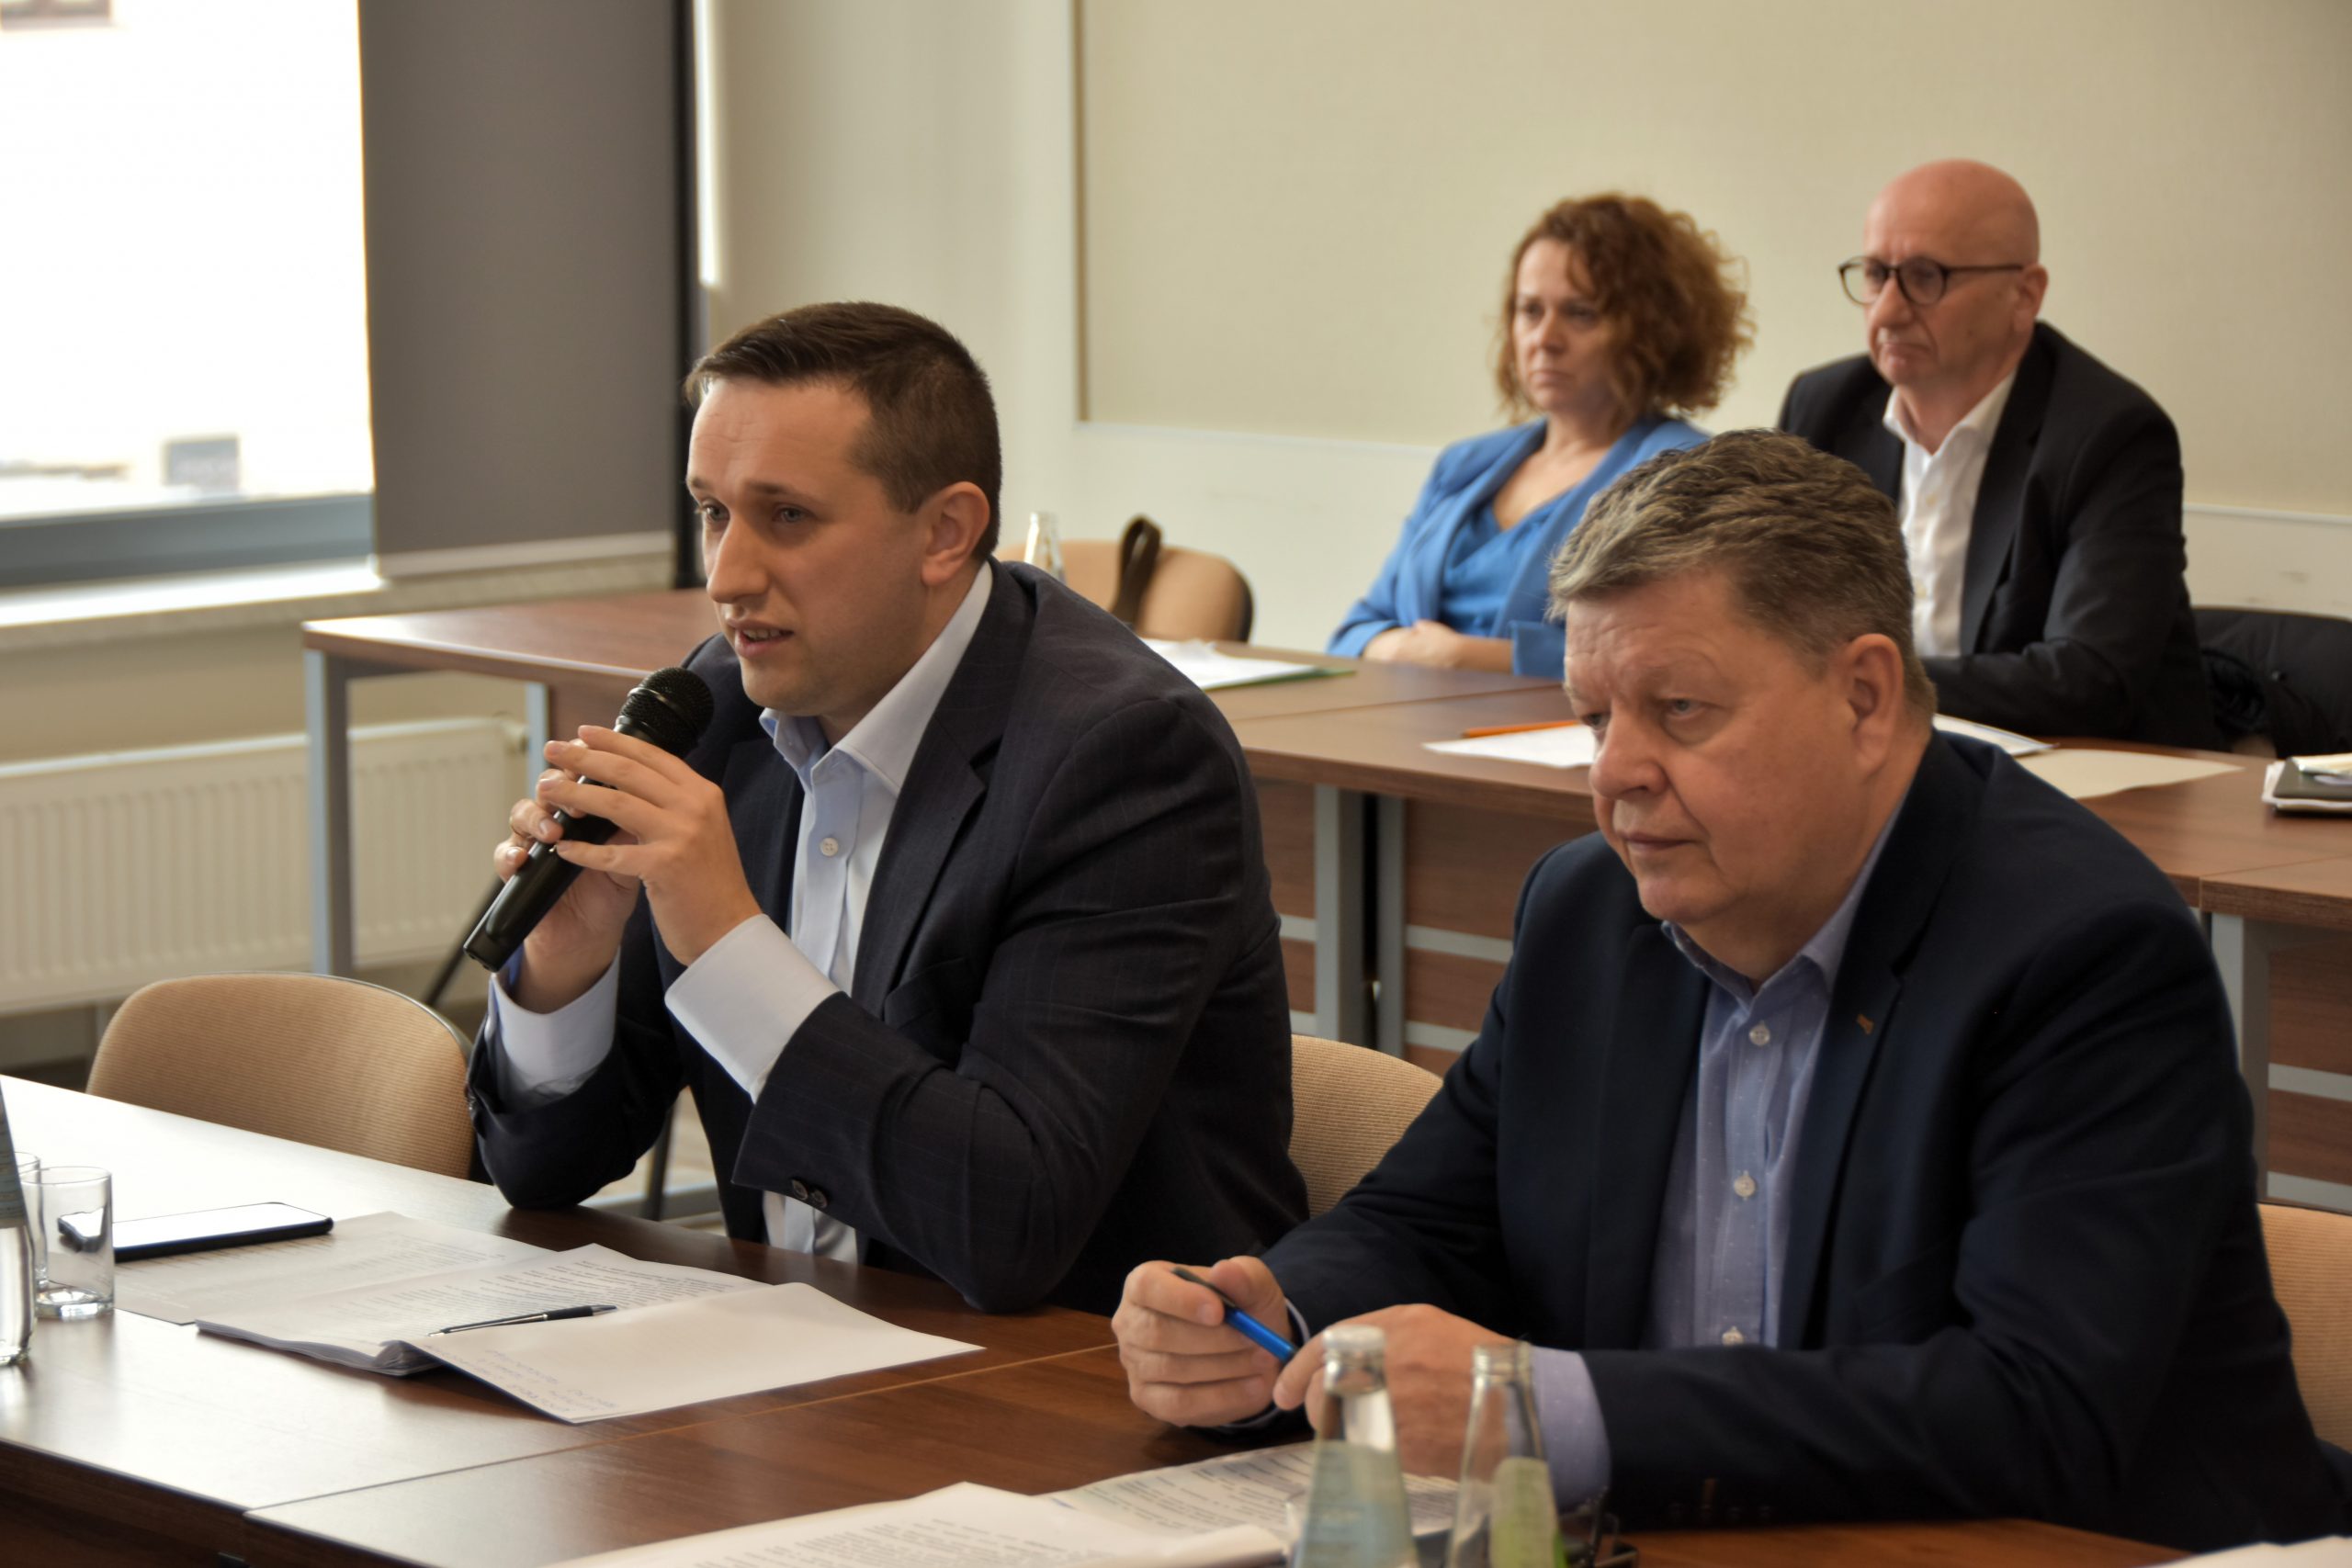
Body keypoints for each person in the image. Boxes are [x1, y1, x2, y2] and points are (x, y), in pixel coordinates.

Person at [1114, 431, 2346, 1551]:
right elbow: (1438, 1221)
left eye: (1678, 711)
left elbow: (2031, 1407)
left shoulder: (2081, 952)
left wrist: (1552, 1409)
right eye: (1594, 717)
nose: (1616, 774)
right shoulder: (1589, 913)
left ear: (1864, 697)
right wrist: (1279, 1317)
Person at [467, 301, 1306, 1314]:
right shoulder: (722, 709)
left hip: (1074, 1370)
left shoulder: (1123, 758)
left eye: (787, 517)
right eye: (713, 512)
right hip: (794, 1354)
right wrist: (567, 968)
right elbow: (543, 1170)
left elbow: (1009, 1222)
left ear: (945, 533)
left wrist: (729, 942)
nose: (727, 577)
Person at [1780, 160, 2217, 747]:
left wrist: (1866, 684)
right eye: (1877, 274)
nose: (1886, 311)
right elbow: (1773, 614)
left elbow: (2090, 680)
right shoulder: (1824, 409)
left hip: (2090, 775)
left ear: (2024, 295)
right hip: (1875, 758)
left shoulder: (2109, 434)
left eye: (1926, 277)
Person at [1328, 194, 1751, 677]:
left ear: (1650, 331)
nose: (1544, 339)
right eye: (1530, 311)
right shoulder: (1462, 465)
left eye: (1580, 313)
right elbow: (1356, 632)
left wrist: (1465, 659)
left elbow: (1669, 654)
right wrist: (1402, 652)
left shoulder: (1684, 469)